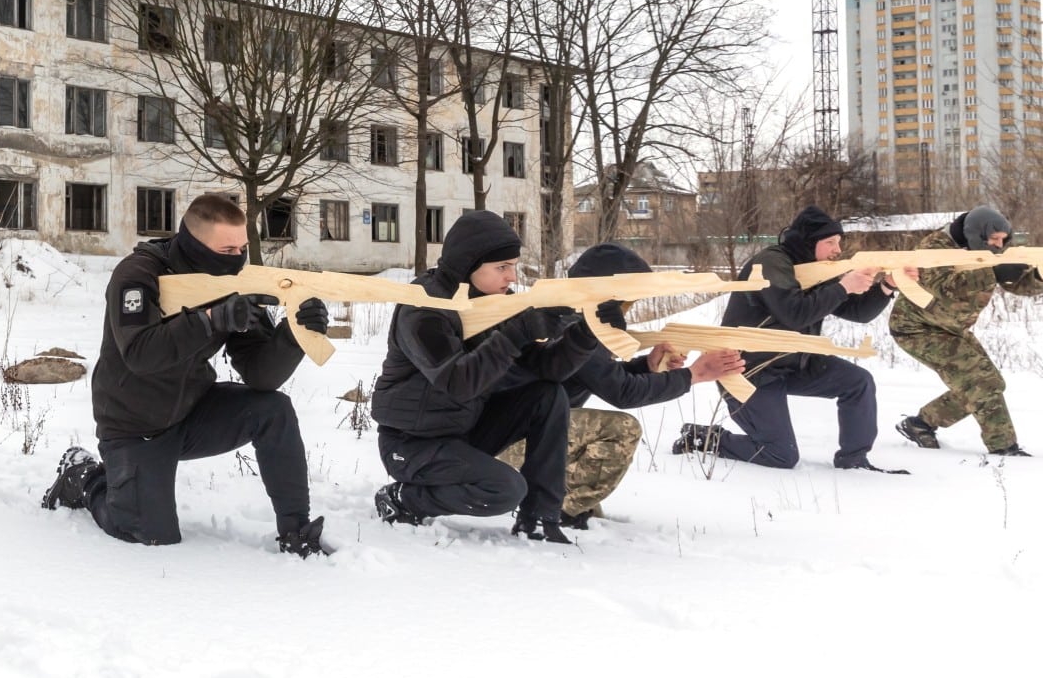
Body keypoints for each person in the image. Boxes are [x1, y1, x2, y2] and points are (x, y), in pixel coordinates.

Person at [38, 192, 332, 557]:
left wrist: (293, 336)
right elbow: (139, 354)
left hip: (193, 410)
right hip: (133, 424)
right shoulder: (138, 274)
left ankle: (296, 531)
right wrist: (209, 321)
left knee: (274, 409)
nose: (238, 259)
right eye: (227, 251)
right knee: (151, 536)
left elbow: (261, 376)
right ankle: (84, 478)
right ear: (194, 243)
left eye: (242, 248)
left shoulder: (237, 280)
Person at [370, 210, 598, 543]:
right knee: (504, 489)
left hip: (463, 429)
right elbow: (456, 383)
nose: (512, 278)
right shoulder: (422, 308)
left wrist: (584, 332)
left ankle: (539, 518)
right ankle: (404, 499)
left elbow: (547, 371)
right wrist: (518, 332)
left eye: (514, 266)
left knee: (548, 395)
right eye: (502, 268)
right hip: (411, 444)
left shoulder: (494, 304)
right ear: (468, 265)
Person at [496, 242, 746, 529]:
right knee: (621, 430)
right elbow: (622, 393)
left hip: (524, 436)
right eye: (629, 300)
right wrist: (694, 375)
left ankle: (564, 503)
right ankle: (554, 509)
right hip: (515, 443)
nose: (630, 308)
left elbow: (600, 375)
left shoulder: (564, 314)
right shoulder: (571, 325)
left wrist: (646, 366)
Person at [675, 205, 903, 472]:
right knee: (780, 455)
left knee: (858, 382)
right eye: (830, 242)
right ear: (808, 242)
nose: (837, 250)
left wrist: (887, 286)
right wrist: (843, 286)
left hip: (795, 364)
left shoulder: (814, 269)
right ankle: (703, 438)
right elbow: (794, 313)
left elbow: (858, 312)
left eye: (839, 242)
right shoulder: (771, 263)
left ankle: (854, 460)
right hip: (749, 371)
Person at [890, 205, 1039, 457]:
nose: (997, 246)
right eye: (993, 240)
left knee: (991, 384)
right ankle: (1004, 448)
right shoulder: (933, 248)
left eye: (1002, 241)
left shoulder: (984, 251)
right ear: (976, 234)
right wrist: (990, 271)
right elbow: (945, 292)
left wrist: (1037, 277)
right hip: (917, 328)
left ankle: (921, 423)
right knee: (982, 384)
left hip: (950, 327)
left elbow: (1017, 283)